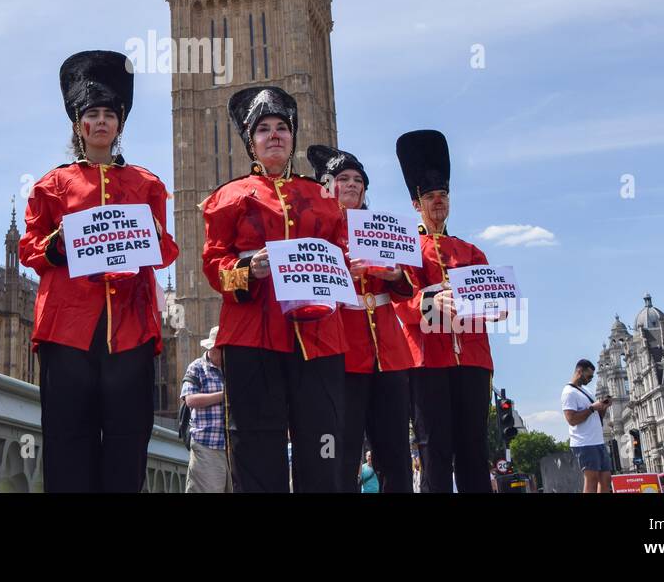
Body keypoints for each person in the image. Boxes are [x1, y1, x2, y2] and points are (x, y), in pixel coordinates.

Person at [19, 50, 179, 492]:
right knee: (68, 443)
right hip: (67, 331)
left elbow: (166, 249)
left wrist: (144, 237)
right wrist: (60, 243)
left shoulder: (146, 185)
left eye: (110, 114)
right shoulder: (51, 185)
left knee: (128, 446)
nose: (102, 122)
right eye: (93, 114)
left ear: (120, 124)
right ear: (78, 125)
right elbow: (30, 249)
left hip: (131, 330)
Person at [202, 86, 349, 492]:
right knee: (256, 447)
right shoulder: (227, 197)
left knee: (322, 445)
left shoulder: (322, 196)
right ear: (252, 141)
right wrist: (248, 269)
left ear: (293, 136)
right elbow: (214, 267)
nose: (274, 135)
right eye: (263, 129)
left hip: (317, 339)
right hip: (252, 336)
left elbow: (342, 254)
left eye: (282, 127)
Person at [308, 144, 415, 493]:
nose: (353, 184)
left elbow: (407, 288)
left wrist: (395, 274)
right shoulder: (318, 232)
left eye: (358, 180)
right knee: (343, 451)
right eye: (343, 179)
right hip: (343, 353)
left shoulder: (382, 227)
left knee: (396, 451)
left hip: (389, 350)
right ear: (328, 185)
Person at [397, 129, 497, 493]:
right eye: (430, 197)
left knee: (474, 448)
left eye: (443, 196)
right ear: (416, 204)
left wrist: (498, 308)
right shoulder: (406, 248)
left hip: (472, 359)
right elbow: (400, 302)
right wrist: (428, 301)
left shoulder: (471, 251)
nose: (438, 202)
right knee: (434, 449)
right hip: (427, 361)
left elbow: (491, 297)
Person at [180, 326, 232, 493]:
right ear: (211, 348)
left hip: (233, 448)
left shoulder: (232, 368)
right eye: (220, 349)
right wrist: (224, 396)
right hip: (207, 445)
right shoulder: (197, 367)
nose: (223, 354)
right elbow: (190, 400)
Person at [562, 358, 613, 493]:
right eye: (589, 376)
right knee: (592, 479)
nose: (590, 379)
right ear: (580, 371)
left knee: (606, 478)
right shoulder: (569, 392)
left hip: (598, 441)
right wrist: (591, 408)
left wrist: (603, 407)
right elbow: (571, 419)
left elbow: (597, 417)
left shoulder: (586, 390)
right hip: (584, 443)